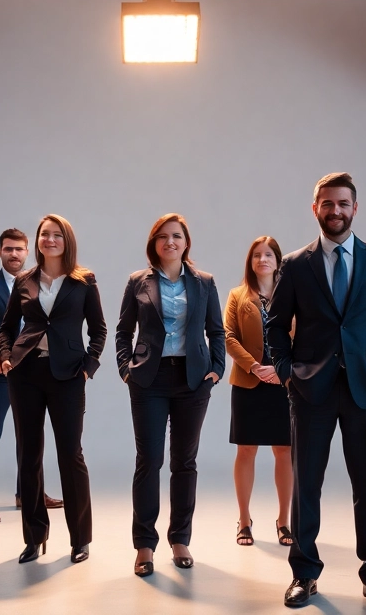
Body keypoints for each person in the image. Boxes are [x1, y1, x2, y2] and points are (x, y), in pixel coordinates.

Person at [266, 172, 366, 611]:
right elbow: (274, 325)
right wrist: (289, 372)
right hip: (311, 389)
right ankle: (304, 574)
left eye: (343, 203)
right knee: (307, 483)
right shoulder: (294, 264)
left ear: (355, 208)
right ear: (316, 209)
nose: (335, 211)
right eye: (327, 204)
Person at [115, 213, 226, 577]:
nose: (170, 242)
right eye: (163, 237)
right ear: (154, 243)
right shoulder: (138, 281)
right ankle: (144, 545)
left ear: (186, 242)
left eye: (176, 236)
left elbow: (217, 331)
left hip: (193, 380)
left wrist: (216, 370)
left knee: (184, 462)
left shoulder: (204, 283)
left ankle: (180, 539)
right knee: (149, 461)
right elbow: (122, 331)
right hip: (149, 379)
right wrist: (125, 368)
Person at [0, 214, 106, 565]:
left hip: (68, 376)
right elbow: (6, 328)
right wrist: (5, 357)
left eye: (57, 235)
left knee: (70, 455)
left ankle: (80, 539)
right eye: (45, 234)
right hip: (25, 374)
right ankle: (34, 537)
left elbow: (100, 330)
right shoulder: (24, 280)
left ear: (66, 241)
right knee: (28, 457)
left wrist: (88, 368)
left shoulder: (84, 281)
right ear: (38, 240)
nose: (50, 240)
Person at [0, 228, 63, 524]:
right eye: (8, 249)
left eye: (19, 249)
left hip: (36, 371)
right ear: (0, 252)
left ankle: (28, 494)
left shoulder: (39, 283)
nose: (14, 254)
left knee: (31, 435)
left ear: (28, 251)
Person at [225, 236, 293, 548]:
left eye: (268, 255)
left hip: (284, 383)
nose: (262, 260)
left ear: (278, 260)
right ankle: (244, 519)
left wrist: (281, 370)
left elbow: (304, 335)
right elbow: (227, 336)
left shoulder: (292, 296)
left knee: (284, 451)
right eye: (256, 255)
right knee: (246, 450)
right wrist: (254, 366)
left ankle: (283, 520)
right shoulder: (237, 295)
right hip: (248, 382)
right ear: (250, 262)